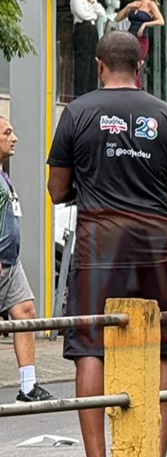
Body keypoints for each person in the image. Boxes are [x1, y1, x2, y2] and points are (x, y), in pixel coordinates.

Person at [46, 31, 167, 457]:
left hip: (100, 245)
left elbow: (56, 189)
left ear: (99, 64)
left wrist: (92, 184)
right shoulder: (165, 114)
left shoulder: (78, 112)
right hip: (155, 245)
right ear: (140, 66)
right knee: (164, 349)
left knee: (91, 347)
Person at [0, 117, 55, 404]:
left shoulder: (3, 174)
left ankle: (28, 386)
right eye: (7, 133)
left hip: (11, 262)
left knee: (25, 313)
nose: (15, 138)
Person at [115, 0, 164, 90]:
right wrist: (128, 6)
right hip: (130, 38)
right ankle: (128, 88)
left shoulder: (150, 4)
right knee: (128, 65)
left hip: (141, 39)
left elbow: (161, 21)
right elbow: (117, 18)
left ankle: (136, 88)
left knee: (136, 64)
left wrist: (145, 24)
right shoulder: (134, 3)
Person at [70, 0, 106, 98]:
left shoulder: (90, 1)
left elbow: (102, 13)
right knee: (82, 63)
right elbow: (82, 14)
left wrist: (94, 3)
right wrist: (94, 16)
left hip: (92, 28)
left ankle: (92, 92)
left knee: (93, 62)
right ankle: (80, 94)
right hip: (83, 27)